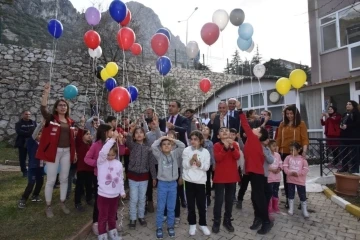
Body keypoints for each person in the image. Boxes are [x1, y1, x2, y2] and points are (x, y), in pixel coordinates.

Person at [36, 83, 76, 218]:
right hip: (54, 152)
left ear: (67, 108)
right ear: (56, 108)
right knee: (51, 180)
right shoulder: (51, 119)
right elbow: (43, 108)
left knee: (64, 178)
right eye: (60, 105)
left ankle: (62, 202)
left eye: (65, 105)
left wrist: (74, 152)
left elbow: (72, 140)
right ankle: (48, 206)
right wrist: (46, 93)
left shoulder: (70, 122)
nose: (63, 107)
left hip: (66, 152)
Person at [238, 100, 274, 235]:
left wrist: (240, 110)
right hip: (252, 172)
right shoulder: (253, 140)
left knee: (258, 198)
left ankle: (266, 221)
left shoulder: (254, 139)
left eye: (258, 129)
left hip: (257, 173)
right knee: (254, 198)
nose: (255, 128)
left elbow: (245, 124)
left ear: (258, 135)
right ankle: (258, 218)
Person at [85, 124, 125, 235]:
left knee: (112, 207)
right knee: (101, 205)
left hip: (113, 182)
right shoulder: (97, 145)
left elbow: (120, 153)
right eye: (111, 131)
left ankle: (112, 225)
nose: (114, 132)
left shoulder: (114, 144)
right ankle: (97, 223)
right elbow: (88, 158)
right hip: (100, 177)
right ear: (105, 132)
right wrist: (97, 165)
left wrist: (120, 142)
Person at [151, 135, 185, 239]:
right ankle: (159, 227)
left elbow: (182, 146)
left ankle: (170, 226)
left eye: (168, 144)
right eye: (164, 145)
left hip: (173, 185)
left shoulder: (175, 154)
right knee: (161, 207)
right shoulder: (159, 155)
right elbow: (153, 146)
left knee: (171, 207)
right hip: (162, 184)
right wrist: (161, 139)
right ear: (161, 147)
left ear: (172, 146)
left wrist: (172, 139)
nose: (166, 146)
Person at [275, 104, 309, 208]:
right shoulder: (282, 124)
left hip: (296, 154)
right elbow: (279, 139)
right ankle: (289, 199)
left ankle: (302, 199)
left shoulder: (301, 124)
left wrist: (304, 151)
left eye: (291, 113)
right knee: (287, 177)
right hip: (284, 153)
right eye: (287, 113)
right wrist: (276, 153)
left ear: (295, 114)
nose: (289, 115)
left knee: (299, 177)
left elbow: (304, 138)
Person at [97, 130, 126, 240]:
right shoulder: (101, 161)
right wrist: (113, 139)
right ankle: (102, 234)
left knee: (112, 216)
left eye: (113, 155)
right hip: (103, 195)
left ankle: (113, 233)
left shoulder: (118, 164)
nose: (110, 157)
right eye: (108, 155)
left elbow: (120, 179)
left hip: (114, 195)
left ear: (116, 154)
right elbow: (103, 152)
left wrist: (122, 191)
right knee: (103, 217)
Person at [126, 125, 157, 229]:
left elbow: (151, 163)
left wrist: (153, 177)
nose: (139, 134)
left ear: (144, 135)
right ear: (134, 136)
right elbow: (128, 139)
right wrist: (131, 131)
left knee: (142, 198)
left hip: (144, 177)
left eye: (141, 132)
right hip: (133, 176)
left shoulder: (148, 148)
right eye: (137, 133)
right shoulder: (132, 145)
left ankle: (141, 216)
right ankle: (133, 218)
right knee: (134, 198)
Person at [182, 131, 211, 236]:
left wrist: (199, 163)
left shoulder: (206, 152)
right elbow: (184, 165)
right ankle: (192, 224)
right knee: (190, 205)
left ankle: (203, 224)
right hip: (189, 181)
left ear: (201, 141)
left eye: (196, 139)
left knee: (202, 205)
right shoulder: (186, 150)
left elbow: (207, 167)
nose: (193, 141)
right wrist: (191, 160)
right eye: (191, 139)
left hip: (200, 182)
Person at [212, 127, 240, 234]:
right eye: (222, 131)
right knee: (218, 201)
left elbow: (237, 156)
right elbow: (218, 158)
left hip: (232, 177)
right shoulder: (216, 145)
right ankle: (216, 221)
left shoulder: (235, 144)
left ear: (230, 134)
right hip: (220, 177)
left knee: (229, 200)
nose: (225, 132)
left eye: (226, 130)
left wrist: (232, 147)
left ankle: (227, 220)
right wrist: (225, 148)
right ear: (218, 136)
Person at [18, 120, 44, 208]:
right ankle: (23, 199)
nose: (40, 135)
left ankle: (35, 196)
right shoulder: (31, 142)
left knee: (40, 182)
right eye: (39, 134)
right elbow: (35, 132)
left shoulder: (42, 144)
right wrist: (40, 124)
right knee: (31, 183)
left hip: (40, 167)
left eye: (41, 134)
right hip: (33, 167)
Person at [145, 114, 165, 213]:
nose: (154, 125)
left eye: (155, 123)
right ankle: (150, 201)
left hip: (160, 162)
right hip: (150, 161)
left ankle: (161, 201)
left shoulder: (162, 133)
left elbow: (160, 141)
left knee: (161, 182)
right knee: (149, 182)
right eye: (152, 124)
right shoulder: (147, 135)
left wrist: (157, 128)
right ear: (149, 125)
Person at [283, 142, 310, 218]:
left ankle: (304, 210)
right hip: (290, 180)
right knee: (291, 194)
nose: (291, 152)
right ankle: (291, 208)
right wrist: (289, 173)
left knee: (302, 195)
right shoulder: (288, 157)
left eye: (293, 150)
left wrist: (298, 174)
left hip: (300, 181)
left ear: (298, 150)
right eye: (290, 150)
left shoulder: (302, 159)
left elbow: (306, 169)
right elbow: (285, 167)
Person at [74, 126, 94, 212]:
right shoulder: (79, 143)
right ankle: (77, 202)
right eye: (87, 134)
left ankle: (89, 199)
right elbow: (78, 135)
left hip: (90, 168)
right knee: (79, 186)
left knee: (89, 185)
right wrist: (82, 124)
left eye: (90, 134)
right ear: (82, 136)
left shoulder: (91, 145)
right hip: (81, 168)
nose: (89, 135)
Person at [339, 101, 360, 173]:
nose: (347, 105)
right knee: (343, 152)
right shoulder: (345, 114)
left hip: (354, 137)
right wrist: (341, 125)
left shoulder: (357, 113)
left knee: (354, 154)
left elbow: (357, 124)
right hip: (345, 136)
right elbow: (342, 122)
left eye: (349, 104)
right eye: (347, 104)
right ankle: (345, 167)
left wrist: (347, 126)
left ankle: (355, 168)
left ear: (353, 105)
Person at [15, 110, 37, 177]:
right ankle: (24, 171)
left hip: (32, 143)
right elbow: (19, 132)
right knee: (22, 158)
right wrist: (29, 133)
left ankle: (32, 170)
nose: (28, 115)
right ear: (22, 115)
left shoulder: (33, 123)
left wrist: (30, 133)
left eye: (29, 114)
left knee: (32, 157)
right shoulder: (18, 123)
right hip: (22, 143)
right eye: (26, 114)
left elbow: (36, 131)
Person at [267, 140, 282, 214]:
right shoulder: (267, 155)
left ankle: (275, 206)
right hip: (269, 178)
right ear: (269, 147)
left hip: (277, 177)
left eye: (276, 145)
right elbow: (265, 166)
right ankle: (269, 207)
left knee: (275, 191)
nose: (275, 147)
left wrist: (279, 168)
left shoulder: (277, 155)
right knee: (269, 192)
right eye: (273, 146)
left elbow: (280, 163)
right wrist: (272, 169)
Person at [202, 126, 215, 206]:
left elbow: (212, 154)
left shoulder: (210, 143)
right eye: (203, 129)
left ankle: (208, 196)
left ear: (209, 133)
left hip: (208, 165)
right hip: (199, 165)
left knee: (207, 181)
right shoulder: (198, 141)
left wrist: (213, 163)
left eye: (207, 129)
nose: (204, 130)